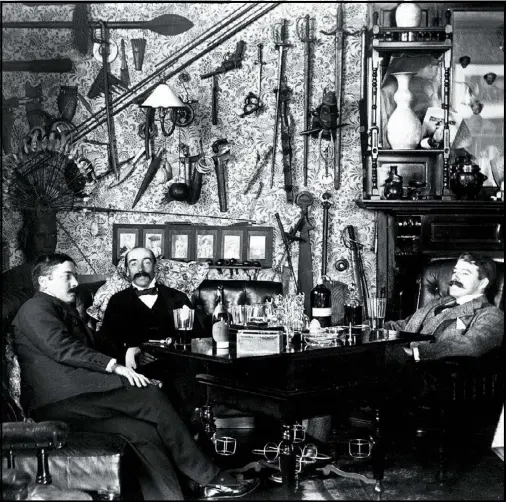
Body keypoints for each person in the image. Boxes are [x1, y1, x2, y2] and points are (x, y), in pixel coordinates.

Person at [11, 252, 259, 500]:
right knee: (149, 394)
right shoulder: (35, 307)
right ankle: (210, 478)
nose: (75, 283)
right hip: (60, 401)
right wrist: (115, 366)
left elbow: (92, 344)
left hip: (76, 399)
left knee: (142, 433)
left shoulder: (58, 307)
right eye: (68, 276)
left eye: (75, 276)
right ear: (44, 282)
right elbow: (63, 349)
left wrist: (128, 349)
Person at [384, 253, 504, 362]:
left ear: (483, 282)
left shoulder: (491, 314)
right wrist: (371, 328)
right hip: (401, 366)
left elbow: (473, 345)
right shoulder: (437, 303)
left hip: (439, 375)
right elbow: (403, 326)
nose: (455, 277)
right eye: (455, 271)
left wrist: (416, 353)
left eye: (465, 273)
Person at [99, 247, 204, 369]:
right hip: (135, 372)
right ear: (127, 271)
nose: (140, 269)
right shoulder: (116, 301)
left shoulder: (178, 297)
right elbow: (107, 343)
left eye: (147, 262)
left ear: (155, 267)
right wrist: (130, 352)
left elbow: (197, 339)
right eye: (133, 264)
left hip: (174, 371)